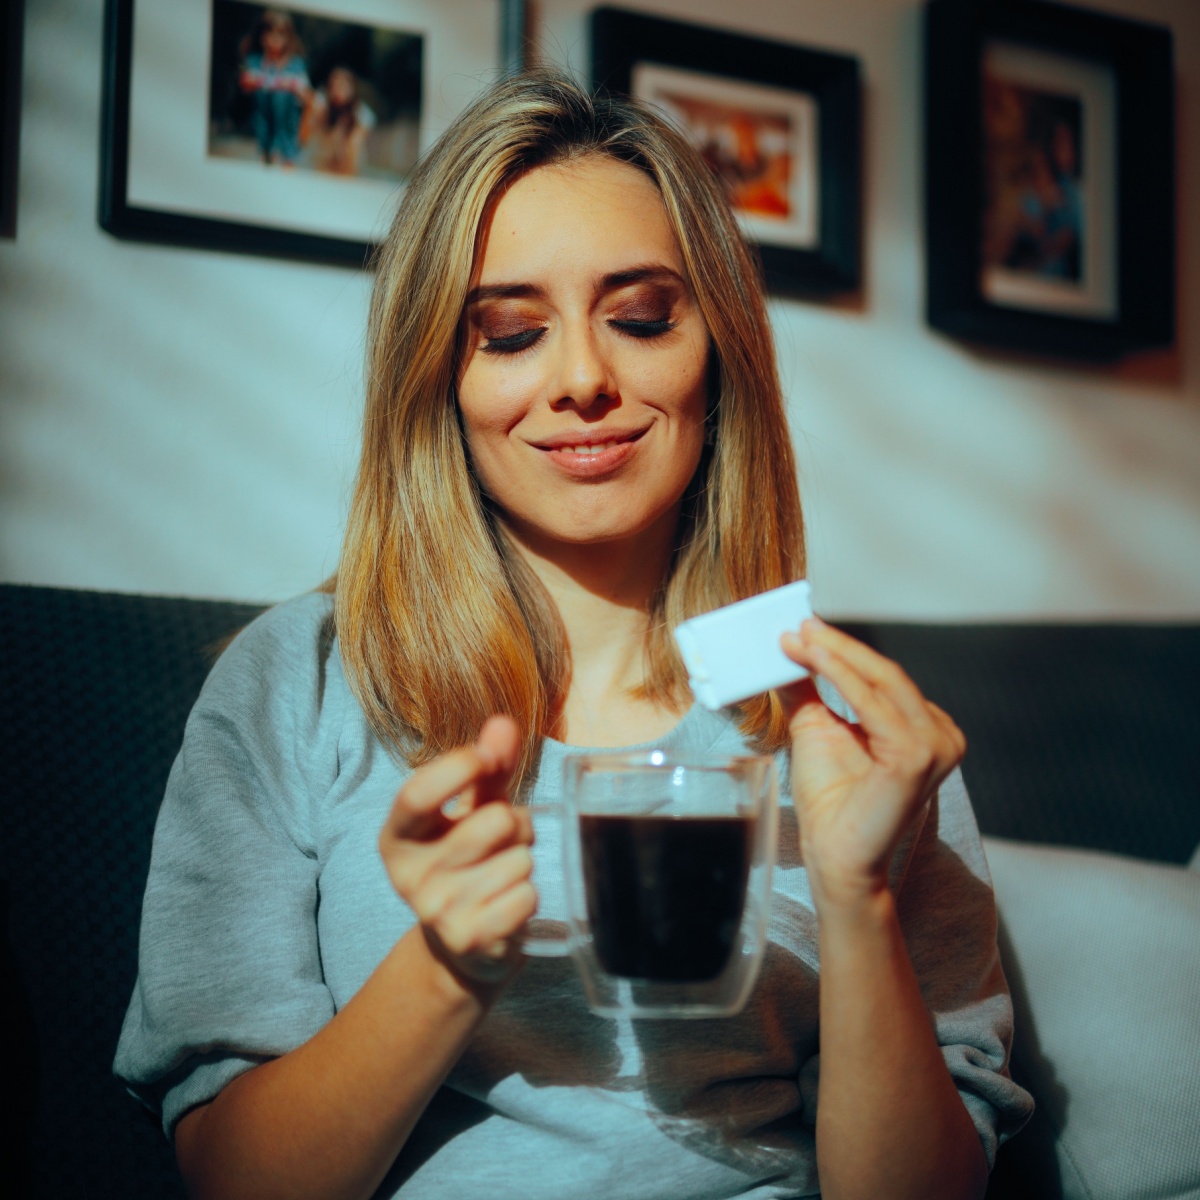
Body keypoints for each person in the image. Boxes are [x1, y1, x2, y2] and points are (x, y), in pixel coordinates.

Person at [115, 71, 1032, 1199]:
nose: (585, 379)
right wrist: (448, 969)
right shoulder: (298, 683)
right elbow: (234, 1180)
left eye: (642, 319)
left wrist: (859, 898)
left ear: (718, 351)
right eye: (509, 333)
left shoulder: (845, 724)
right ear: (437, 375)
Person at [238, 8, 311, 167]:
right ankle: (266, 151)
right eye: (270, 33)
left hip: (287, 125)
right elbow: (246, 84)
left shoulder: (296, 64)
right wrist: (276, 82)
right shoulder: (255, 61)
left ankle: (284, 155)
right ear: (262, 36)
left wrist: (294, 87)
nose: (275, 38)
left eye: (281, 34)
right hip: (263, 122)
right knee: (269, 95)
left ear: (288, 38)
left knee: (281, 97)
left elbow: (306, 96)